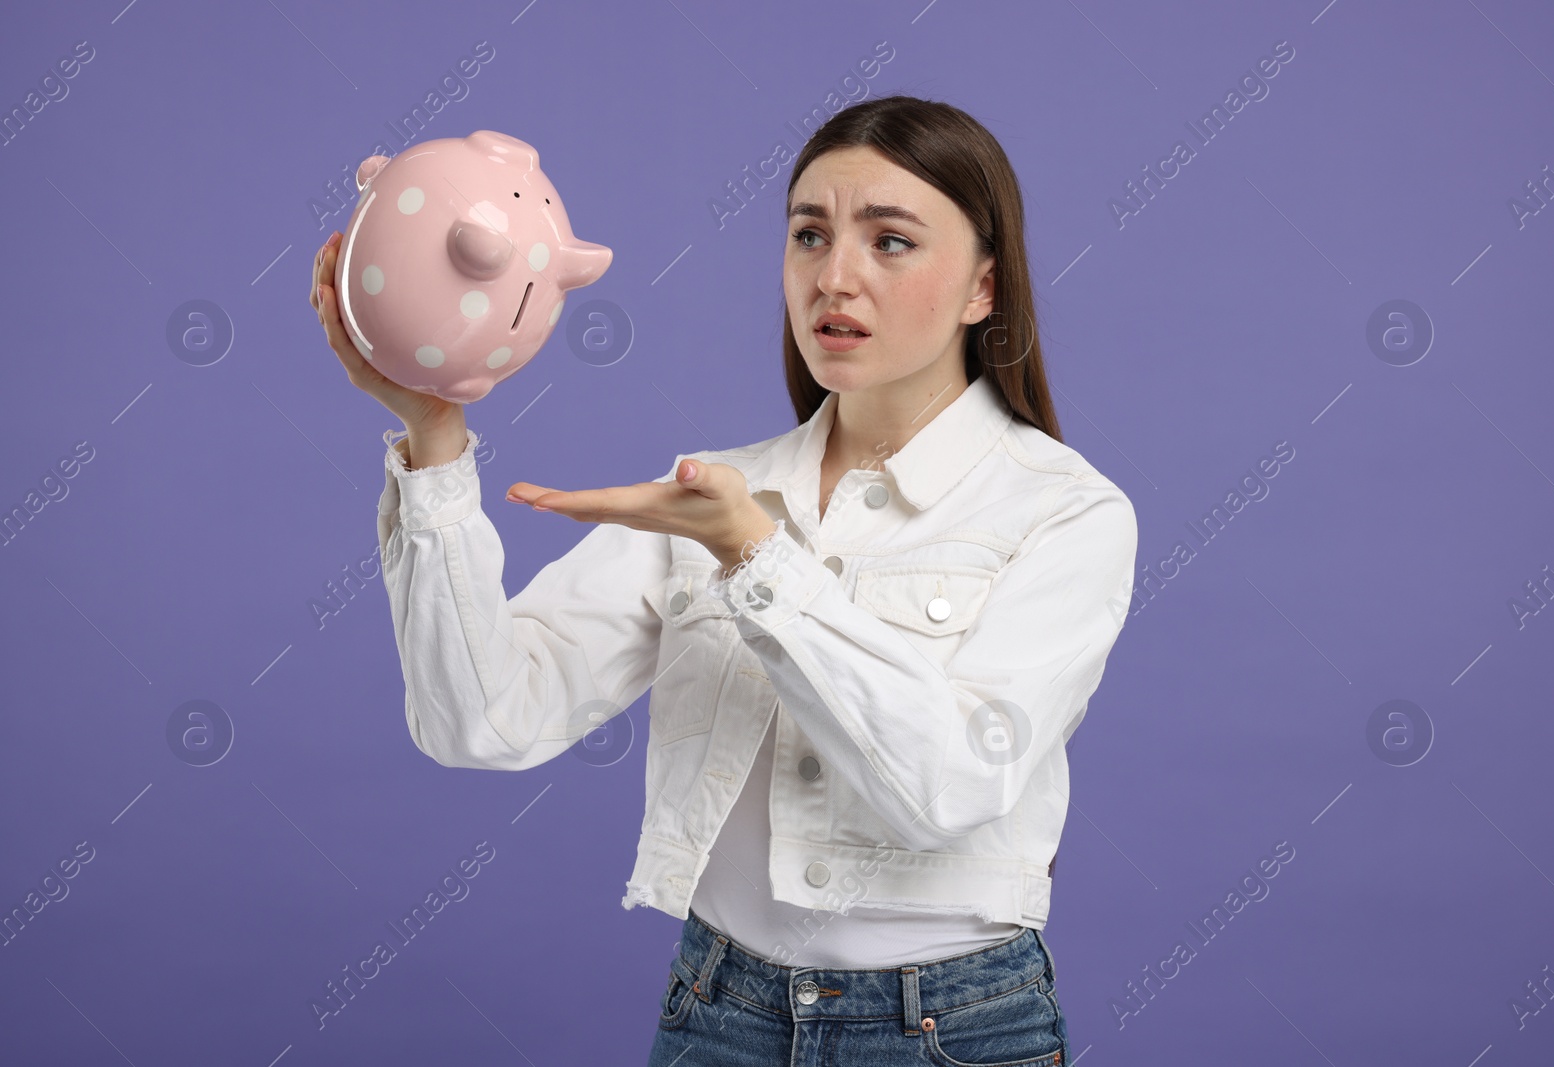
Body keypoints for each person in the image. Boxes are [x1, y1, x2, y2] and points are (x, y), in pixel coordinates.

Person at [311, 94, 1136, 1066]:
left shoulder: (1064, 512)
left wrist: (756, 557)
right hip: (719, 1013)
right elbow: (481, 720)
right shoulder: (713, 494)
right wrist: (435, 437)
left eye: (892, 241)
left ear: (982, 287)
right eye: (808, 234)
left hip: (946, 1028)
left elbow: (947, 786)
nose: (834, 276)